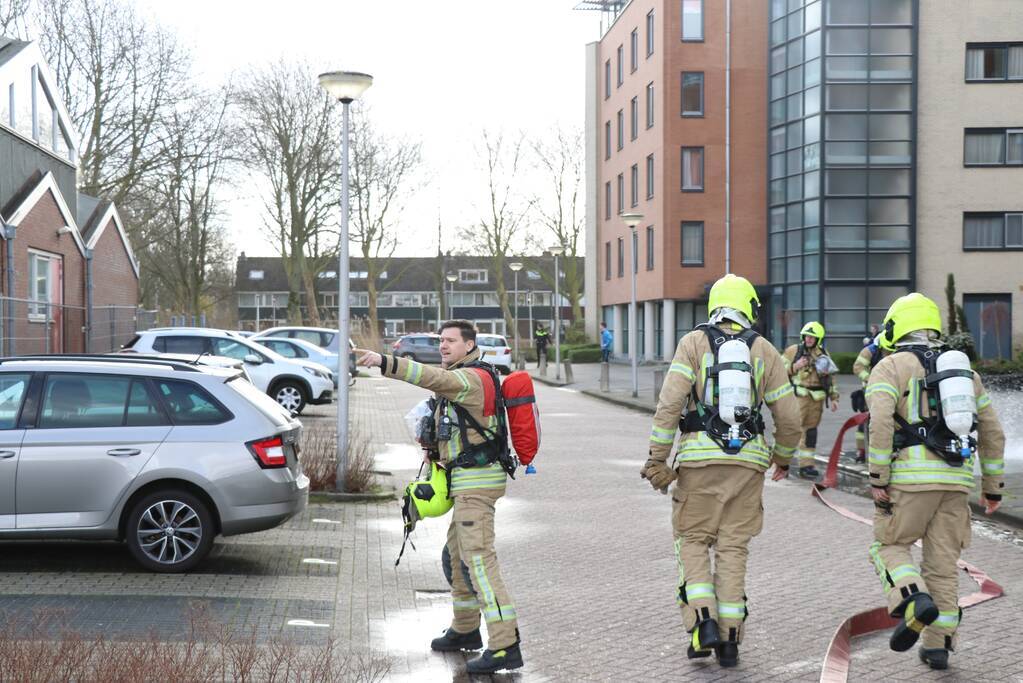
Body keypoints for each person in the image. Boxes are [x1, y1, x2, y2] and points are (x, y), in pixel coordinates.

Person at [640, 274, 801, 668]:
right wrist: (782, 457)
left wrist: (657, 458)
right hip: (749, 465)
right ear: (749, 307)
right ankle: (729, 641)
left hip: (699, 461)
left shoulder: (693, 344)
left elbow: (669, 405)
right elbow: (790, 417)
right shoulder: (765, 350)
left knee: (693, 541)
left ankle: (702, 623)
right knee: (733, 549)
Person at [356, 320, 523, 674]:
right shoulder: (464, 374)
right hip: (465, 481)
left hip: (477, 484)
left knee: (478, 561)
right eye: (441, 340)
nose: (443, 346)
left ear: (469, 344)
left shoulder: (471, 378)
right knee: (458, 556)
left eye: (450, 341)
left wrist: (384, 361)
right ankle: (465, 630)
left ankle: (504, 645)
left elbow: (433, 378)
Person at [865, 293, 1004, 671]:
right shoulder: (966, 375)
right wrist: (992, 487)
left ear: (897, 327)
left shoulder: (890, 367)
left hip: (909, 480)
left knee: (889, 546)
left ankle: (912, 600)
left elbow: (878, 423)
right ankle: (938, 647)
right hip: (956, 481)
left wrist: (878, 475)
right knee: (942, 566)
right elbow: (992, 431)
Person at [782, 322, 840, 479]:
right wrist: (796, 366)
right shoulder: (793, 351)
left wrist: (834, 398)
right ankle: (782, 463)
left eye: (812, 337)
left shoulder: (823, 354)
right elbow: (779, 371)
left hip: (817, 400)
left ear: (818, 339)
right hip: (799, 397)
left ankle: (806, 466)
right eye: (807, 336)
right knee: (793, 430)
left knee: (811, 432)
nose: (808, 339)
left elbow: (830, 378)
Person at [851, 334, 886, 463]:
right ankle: (861, 451)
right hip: (870, 393)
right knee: (865, 424)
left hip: (890, 393)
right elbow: (858, 367)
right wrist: (870, 379)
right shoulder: (871, 350)